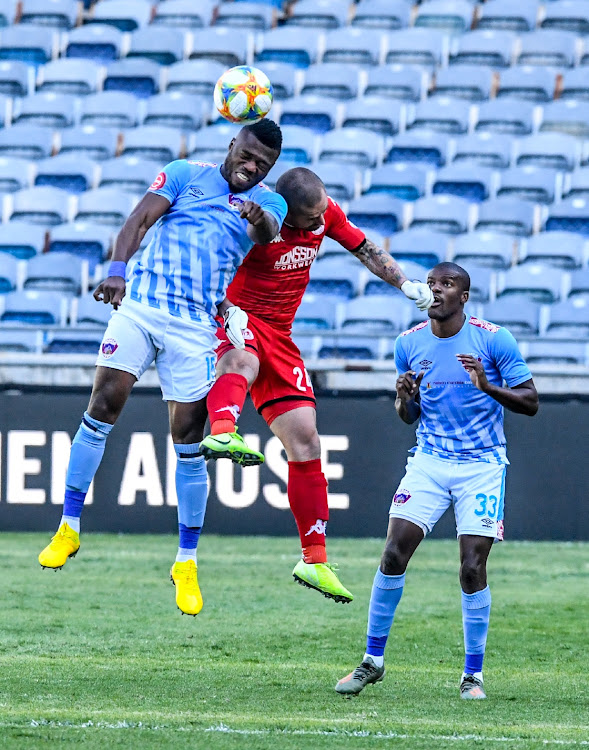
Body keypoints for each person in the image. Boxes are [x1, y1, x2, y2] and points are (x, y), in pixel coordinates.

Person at [38, 120, 288, 618]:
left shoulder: (271, 202)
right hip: (143, 307)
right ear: (232, 145)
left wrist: (259, 217)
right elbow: (138, 221)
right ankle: (68, 528)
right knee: (103, 405)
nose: (252, 167)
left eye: (263, 164)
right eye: (248, 156)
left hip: (195, 326)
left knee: (188, 440)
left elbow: (269, 232)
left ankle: (187, 561)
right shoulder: (183, 174)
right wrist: (116, 269)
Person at [197, 167, 434, 604]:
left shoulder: (323, 213)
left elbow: (363, 248)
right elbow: (207, 270)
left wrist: (405, 283)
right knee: (243, 359)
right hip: (240, 318)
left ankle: (314, 559)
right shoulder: (258, 222)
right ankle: (222, 429)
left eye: (324, 211)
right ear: (287, 215)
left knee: (306, 442)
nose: (321, 222)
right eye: (311, 218)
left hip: (281, 335)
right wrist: (225, 307)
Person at [335, 262, 539, 699]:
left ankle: (473, 675)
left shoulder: (493, 338)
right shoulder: (408, 344)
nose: (436, 290)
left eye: (447, 284)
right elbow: (409, 416)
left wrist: (486, 386)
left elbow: (530, 401)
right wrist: (403, 399)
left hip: (481, 465)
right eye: (431, 284)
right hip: (429, 459)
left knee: (471, 567)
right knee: (392, 553)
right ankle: (373, 661)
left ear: (464, 297)